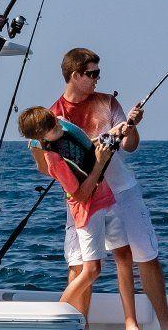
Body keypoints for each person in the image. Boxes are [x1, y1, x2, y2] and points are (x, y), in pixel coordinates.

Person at [45, 47, 168, 330]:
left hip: (123, 191)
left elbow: (130, 146)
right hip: (85, 197)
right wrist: (103, 141)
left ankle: (165, 325)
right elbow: (53, 164)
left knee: (144, 255)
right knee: (79, 265)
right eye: (92, 73)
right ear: (75, 75)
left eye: (98, 73)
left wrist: (130, 127)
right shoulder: (54, 115)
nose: (98, 78)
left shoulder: (108, 102)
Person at [17, 107, 116, 317]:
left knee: (86, 268)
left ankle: (78, 322)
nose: (58, 126)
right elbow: (80, 196)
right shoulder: (54, 160)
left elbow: (84, 147)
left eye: (55, 121)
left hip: (99, 202)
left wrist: (109, 138)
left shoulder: (61, 123)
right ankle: (56, 315)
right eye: (52, 128)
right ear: (41, 136)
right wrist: (99, 163)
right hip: (86, 209)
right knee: (91, 270)